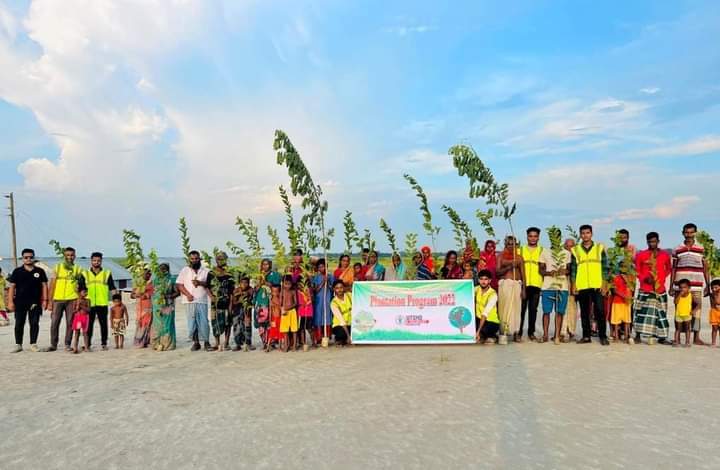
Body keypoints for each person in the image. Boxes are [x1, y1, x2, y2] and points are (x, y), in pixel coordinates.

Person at [671, 223, 711, 345]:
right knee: (679, 310)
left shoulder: (702, 248)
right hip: (680, 286)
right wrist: (671, 286)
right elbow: (673, 268)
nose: (689, 235)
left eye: (691, 232)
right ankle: (678, 337)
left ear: (695, 233)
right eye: (686, 232)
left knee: (696, 310)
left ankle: (696, 337)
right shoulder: (677, 248)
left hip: (696, 285)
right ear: (682, 233)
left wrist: (708, 286)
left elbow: (706, 268)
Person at [570, 225, 610, 345]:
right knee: (584, 312)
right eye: (583, 233)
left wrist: (604, 284)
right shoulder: (575, 250)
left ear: (591, 234)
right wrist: (573, 284)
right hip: (582, 285)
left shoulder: (599, 248)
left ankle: (603, 336)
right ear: (580, 234)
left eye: (587, 233)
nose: (585, 235)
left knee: (600, 311)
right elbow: (573, 269)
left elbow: (605, 267)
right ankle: (586, 336)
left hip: (597, 285)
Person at [633, 232, 672, 344]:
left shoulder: (664, 255)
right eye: (650, 242)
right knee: (641, 312)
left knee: (660, 314)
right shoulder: (641, 255)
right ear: (647, 242)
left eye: (654, 241)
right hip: (645, 289)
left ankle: (662, 337)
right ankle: (638, 336)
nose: (652, 243)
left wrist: (662, 277)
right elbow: (637, 270)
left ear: (658, 241)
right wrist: (644, 278)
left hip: (660, 289)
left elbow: (669, 268)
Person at [8, 248, 48, 352]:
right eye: (26, 257)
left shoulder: (40, 271)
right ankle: (18, 344)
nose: (28, 259)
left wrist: (45, 300)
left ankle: (33, 344)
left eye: (31, 257)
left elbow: (44, 286)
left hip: (35, 302)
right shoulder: (17, 271)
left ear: (34, 258)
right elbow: (12, 287)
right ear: (22, 259)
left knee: (34, 323)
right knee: (19, 323)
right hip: (20, 302)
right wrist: (10, 301)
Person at [47, 246, 83, 351]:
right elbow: (52, 284)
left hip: (72, 299)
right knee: (54, 322)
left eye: (72, 255)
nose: (70, 257)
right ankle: (53, 344)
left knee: (70, 322)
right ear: (64, 256)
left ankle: (67, 344)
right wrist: (50, 301)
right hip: (57, 299)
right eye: (67, 255)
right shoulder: (57, 267)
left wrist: (78, 300)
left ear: (75, 256)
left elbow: (81, 286)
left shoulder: (78, 269)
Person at [539, 234, 572, 344]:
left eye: (557, 237)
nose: (555, 240)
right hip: (548, 286)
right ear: (550, 239)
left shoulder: (566, 253)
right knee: (546, 312)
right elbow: (541, 270)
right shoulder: (545, 252)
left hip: (562, 286)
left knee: (559, 312)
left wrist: (563, 271)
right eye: (553, 238)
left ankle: (557, 335)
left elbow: (569, 269)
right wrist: (549, 273)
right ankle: (545, 335)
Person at [176, 250, 211, 351]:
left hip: (202, 300)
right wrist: (187, 294)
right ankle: (196, 343)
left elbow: (209, 285)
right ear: (189, 260)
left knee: (204, 322)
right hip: (189, 301)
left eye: (196, 258)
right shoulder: (185, 270)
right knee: (192, 323)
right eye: (192, 259)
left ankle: (206, 342)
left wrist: (200, 283)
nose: (194, 260)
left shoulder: (206, 271)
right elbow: (179, 284)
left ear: (199, 259)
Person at [83, 252, 116, 351]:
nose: (96, 262)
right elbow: (81, 289)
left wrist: (117, 302)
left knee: (103, 324)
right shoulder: (85, 274)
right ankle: (87, 344)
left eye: (98, 260)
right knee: (89, 325)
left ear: (101, 261)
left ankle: (104, 344)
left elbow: (112, 288)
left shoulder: (107, 273)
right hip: (89, 304)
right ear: (91, 261)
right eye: (94, 260)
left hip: (102, 303)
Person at [496, 236, 526, 342]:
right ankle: (503, 331)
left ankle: (516, 332)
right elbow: (498, 272)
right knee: (504, 310)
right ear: (505, 244)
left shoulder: (519, 257)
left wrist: (523, 290)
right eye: (509, 244)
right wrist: (509, 265)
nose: (511, 246)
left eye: (513, 244)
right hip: (505, 285)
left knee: (516, 310)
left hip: (517, 285)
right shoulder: (500, 256)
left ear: (516, 245)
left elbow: (523, 274)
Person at [207, 251, 235, 351]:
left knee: (228, 322)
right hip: (215, 303)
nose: (220, 260)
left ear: (226, 260)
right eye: (218, 259)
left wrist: (231, 304)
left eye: (222, 258)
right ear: (216, 260)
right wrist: (211, 296)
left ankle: (226, 343)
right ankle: (217, 343)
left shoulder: (230, 273)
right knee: (215, 323)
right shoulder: (211, 273)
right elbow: (207, 287)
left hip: (227, 301)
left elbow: (232, 290)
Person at [520, 227, 544, 341]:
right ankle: (518, 332)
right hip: (523, 285)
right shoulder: (520, 250)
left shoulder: (542, 250)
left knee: (533, 310)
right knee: (521, 309)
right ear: (527, 237)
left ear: (538, 237)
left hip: (536, 284)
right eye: (530, 236)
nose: (533, 238)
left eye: (535, 236)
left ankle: (531, 332)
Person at [151, 263, 178, 351]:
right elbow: (153, 292)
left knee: (167, 324)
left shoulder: (172, 279)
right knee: (157, 324)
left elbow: (177, 292)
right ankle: (157, 344)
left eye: (164, 269)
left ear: (168, 269)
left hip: (168, 305)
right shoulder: (155, 280)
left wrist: (169, 296)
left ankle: (167, 344)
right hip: (157, 305)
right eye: (161, 269)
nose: (162, 271)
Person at [610, 265, 635, 344]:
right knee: (616, 321)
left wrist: (629, 298)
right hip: (617, 301)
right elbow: (614, 291)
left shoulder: (630, 278)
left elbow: (632, 289)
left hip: (626, 302)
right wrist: (624, 296)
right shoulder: (616, 277)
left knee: (627, 320)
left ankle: (627, 336)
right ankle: (616, 337)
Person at [312, 258, 334, 343]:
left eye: (323, 267)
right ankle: (318, 337)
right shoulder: (316, 277)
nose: (322, 269)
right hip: (319, 300)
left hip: (327, 299)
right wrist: (322, 283)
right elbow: (315, 290)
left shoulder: (331, 276)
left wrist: (327, 282)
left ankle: (327, 336)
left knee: (327, 317)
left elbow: (333, 289)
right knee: (318, 318)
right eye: (320, 267)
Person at [475, 270, 499, 344]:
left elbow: (485, 313)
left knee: (485, 329)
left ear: (489, 280)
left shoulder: (493, 294)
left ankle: (493, 336)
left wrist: (478, 331)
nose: (483, 281)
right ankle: (482, 335)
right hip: (479, 319)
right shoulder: (476, 289)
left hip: (490, 321)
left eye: (486, 279)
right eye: (481, 279)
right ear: (478, 280)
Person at [561, 238, 579, 342]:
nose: (569, 248)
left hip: (574, 285)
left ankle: (571, 330)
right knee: (563, 307)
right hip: (563, 284)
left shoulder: (577, 257)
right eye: (567, 246)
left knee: (572, 308)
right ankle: (563, 331)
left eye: (572, 246)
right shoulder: (562, 257)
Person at [131, 269, 153, 348]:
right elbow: (132, 295)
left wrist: (146, 295)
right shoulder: (138, 283)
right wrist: (136, 295)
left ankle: (146, 341)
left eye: (149, 274)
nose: (147, 275)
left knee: (147, 323)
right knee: (140, 323)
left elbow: (153, 294)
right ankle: (139, 341)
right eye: (145, 274)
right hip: (139, 307)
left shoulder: (151, 284)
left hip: (148, 306)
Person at [232, 275, 254, 351]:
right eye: (242, 283)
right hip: (237, 311)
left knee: (247, 326)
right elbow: (234, 302)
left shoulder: (250, 289)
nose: (244, 284)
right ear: (239, 283)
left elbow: (250, 295)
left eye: (246, 283)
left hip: (247, 311)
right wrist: (239, 299)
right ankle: (238, 344)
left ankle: (248, 343)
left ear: (248, 283)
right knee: (237, 327)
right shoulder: (236, 290)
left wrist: (244, 294)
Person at [673, 279, 696, 347]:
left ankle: (687, 342)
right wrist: (679, 295)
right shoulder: (678, 294)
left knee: (687, 329)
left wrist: (694, 311)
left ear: (689, 288)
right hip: (678, 314)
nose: (683, 289)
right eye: (681, 287)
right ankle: (676, 341)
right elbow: (675, 302)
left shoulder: (690, 295)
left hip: (687, 315)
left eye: (685, 287)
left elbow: (698, 304)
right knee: (678, 329)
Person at [279, 275, 298, 352]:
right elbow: (280, 303)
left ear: (291, 284)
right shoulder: (282, 292)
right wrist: (283, 308)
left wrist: (289, 307)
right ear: (283, 283)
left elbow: (295, 303)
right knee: (285, 330)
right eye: (285, 284)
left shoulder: (293, 291)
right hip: (284, 312)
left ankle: (294, 346)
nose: (287, 285)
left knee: (294, 329)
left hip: (292, 312)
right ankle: (286, 345)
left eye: (289, 284)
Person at [330, 280, 352, 346]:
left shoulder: (349, 295)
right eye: (337, 288)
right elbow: (341, 320)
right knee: (341, 333)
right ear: (334, 289)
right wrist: (349, 336)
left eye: (341, 287)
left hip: (351, 322)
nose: (339, 290)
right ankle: (340, 339)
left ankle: (345, 339)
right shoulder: (333, 303)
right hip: (340, 324)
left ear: (344, 288)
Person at [70, 286, 91, 354]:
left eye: (86, 292)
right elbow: (73, 311)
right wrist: (77, 307)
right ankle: (75, 347)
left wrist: (82, 306)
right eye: (84, 292)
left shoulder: (87, 300)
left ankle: (86, 347)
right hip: (78, 318)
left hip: (85, 317)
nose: (86, 293)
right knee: (77, 333)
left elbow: (89, 310)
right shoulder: (75, 301)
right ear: (79, 293)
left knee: (85, 333)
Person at [297, 279, 314, 348]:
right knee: (302, 329)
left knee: (310, 328)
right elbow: (299, 302)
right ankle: (303, 342)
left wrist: (308, 298)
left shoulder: (309, 291)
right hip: (301, 313)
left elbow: (311, 299)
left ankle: (314, 341)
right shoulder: (298, 293)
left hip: (308, 312)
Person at [267, 284, 283, 351]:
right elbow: (270, 310)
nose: (275, 293)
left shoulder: (280, 299)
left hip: (280, 318)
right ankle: (268, 346)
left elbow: (281, 308)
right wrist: (270, 320)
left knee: (280, 333)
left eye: (276, 291)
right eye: (273, 291)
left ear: (279, 292)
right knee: (271, 333)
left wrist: (275, 304)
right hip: (274, 318)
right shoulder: (271, 299)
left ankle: (279, 346)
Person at [710, 280, 720, 347]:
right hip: (714, 312)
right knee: (714, 329)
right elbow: (715, 303)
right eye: (712, 288)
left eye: (716, 287)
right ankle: (713, 343)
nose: (714, 289)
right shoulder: (712, 295)